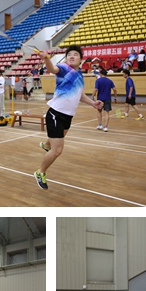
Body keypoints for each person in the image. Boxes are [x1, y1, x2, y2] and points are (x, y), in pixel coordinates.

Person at [34, 45, 104, 189]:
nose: (71, 56)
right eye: (69, 54)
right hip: (56, 113)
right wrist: (46, 59)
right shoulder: (64, 68)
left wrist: (93, 103)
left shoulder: (79, 75)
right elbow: (52, 69)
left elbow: (80, 95)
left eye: (75, 54)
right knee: (57, 150)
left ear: (81, 60)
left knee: (56, 140)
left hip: (68, 116)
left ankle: (46, 145)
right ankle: (40, 172)